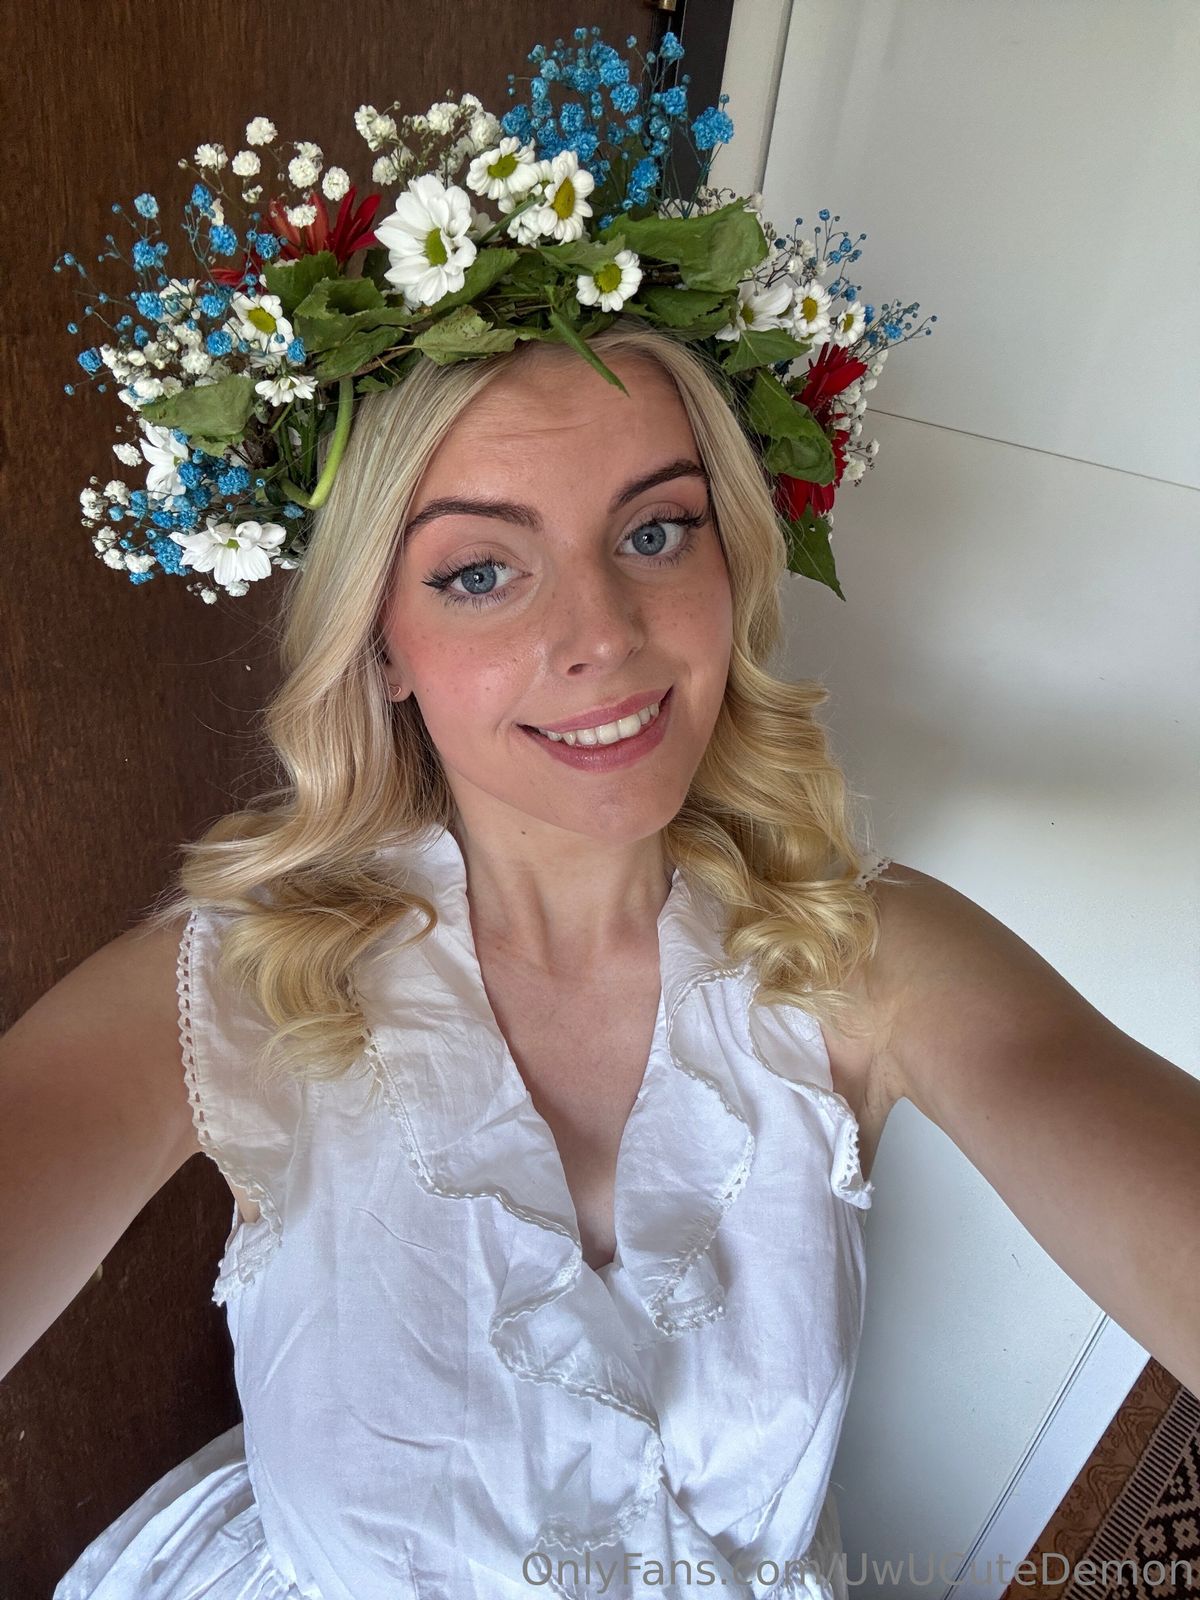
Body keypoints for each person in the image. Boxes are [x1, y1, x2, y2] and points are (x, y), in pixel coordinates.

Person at [5, 316, 1198, 1600]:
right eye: (480, 571)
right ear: (381, 641)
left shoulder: (859, 951)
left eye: (654, 531)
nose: (604, 634)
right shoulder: (232, 991)